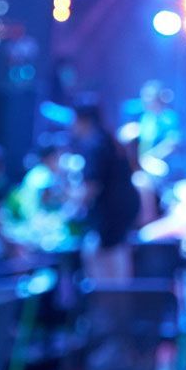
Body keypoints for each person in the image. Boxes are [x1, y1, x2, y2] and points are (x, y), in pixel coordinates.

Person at [68, 101, 140, 280]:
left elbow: (91, 186)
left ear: (82, 120)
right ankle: (117, 300)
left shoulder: (94, 145)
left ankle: (109, 302)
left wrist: (70, 209)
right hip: (121, 213)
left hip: (110, 216)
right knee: (115, 257)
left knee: (104, 265)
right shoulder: (109, 140)